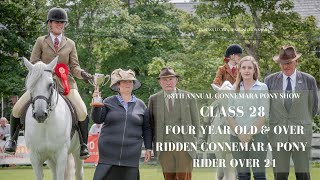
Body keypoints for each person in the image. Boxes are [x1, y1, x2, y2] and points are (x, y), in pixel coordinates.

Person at [4, 7, 93, 159]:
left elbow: (74, 67)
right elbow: (33, 62)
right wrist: (47, 71)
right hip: (41, 83)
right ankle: (12, 141)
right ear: (50, 24)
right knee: (17, 108)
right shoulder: (40, 41)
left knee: (83, 111)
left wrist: (82, 73)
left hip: (66, 83)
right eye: (56, 22)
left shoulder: (70, 43)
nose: (60, 24)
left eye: (62, 22)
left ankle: (83, 145)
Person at [265, 45, 318, 180]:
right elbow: (266, 108)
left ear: (296, 62)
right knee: (280, 175)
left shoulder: (308, 80)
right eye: (282, 63)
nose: (285, 66)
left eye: (288, 63)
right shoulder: (270, 81)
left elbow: (313, 108)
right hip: (278, 136)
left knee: (303, 175)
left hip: (301, 136)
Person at [91, 68, 152, 180]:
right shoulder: (108, 101)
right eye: (124, 81)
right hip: (108, 153)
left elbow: (147, 128)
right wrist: (96, 102)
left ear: (133, 85)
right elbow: (97, 119)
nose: (127, 84)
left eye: (130, 81)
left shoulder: (141, 105)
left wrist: (148, 147)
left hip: (131, 154)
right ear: (118, 85)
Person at [148, 67, 200, 180]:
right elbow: (151, 125)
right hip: (164, 147)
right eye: (164, 80)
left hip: (185, 146)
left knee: (184, 178)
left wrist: (194, 143)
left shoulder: (189, 97)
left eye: (170, 79)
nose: (168, 82)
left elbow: (196, 123)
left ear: (176, 80)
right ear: (159, 82)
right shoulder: (153, 99)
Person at [226, 56, 269, 180]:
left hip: (258, 136)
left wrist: (249, 135)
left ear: (254, 70)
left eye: (250, 67)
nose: (246, 70)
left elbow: (263, 114)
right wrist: (240, 135)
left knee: (259, 175)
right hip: (236, 137)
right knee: (243, 176)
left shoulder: (262, 88)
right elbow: (230, 115)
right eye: (243, 67)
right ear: (239, 70)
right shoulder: (234, 89)